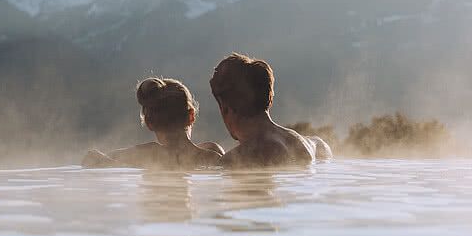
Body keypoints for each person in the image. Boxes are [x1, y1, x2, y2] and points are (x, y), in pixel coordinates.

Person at [209, 53, 332, 167]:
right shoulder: (314, 146)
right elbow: (320, 147)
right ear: (269, 100)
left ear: (225, 108)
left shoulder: (237, 159)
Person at [82, 78, 226, 169]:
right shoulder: (212, 156)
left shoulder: (147, 154)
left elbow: (92, 158)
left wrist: (112, 163)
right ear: (191, 116)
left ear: (149, 122)